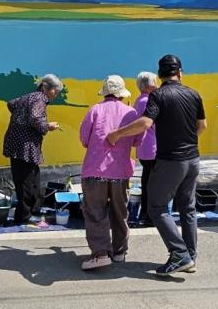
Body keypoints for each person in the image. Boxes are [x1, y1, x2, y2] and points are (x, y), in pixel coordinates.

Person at [106, 55, 206, 276]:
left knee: (156, 207)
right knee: (188, 208)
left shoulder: (158, 96)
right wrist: (187, 142)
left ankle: (179, 254)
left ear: (160, 75)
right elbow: (202, 126)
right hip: (193, 159)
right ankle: (190, 256)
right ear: (180, 73)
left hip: (171, 161)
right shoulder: (194, 94)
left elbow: (145, 123)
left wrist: (117, 134)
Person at [79, 75, 143, 270]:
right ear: (122, 94)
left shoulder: (95, 110)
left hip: (95, 170)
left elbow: (84, 140)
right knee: (120, 211)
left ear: (105, 92)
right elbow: (137, 141)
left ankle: (100, 254)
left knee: (95, 212)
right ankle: (119, 251)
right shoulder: (131, 113)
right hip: (120, 171)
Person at [2, 74, 62, 225]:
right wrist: (48, 126)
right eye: (55, 91)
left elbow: (11, 104)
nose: (56, 94)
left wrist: (20, 118)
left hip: (17, 143)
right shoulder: (40, 98)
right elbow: (35, 118)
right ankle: (25, 217)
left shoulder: (28, 97)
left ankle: (31, 212)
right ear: (45, 87)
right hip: (25, 145)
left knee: (31, 179)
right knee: (27, 183)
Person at [134, 71, 159, 226]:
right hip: (151, 146)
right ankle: (150, 215)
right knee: (152, 183)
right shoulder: (147, 101)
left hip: (145, 147)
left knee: (148, 180)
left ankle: (146, 213)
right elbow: (153, 123)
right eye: (154, 81)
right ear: (148, 85)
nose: (157, 84)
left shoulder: (141, 99)